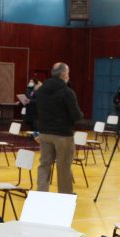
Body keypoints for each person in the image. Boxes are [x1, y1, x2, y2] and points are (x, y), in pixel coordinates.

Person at [35, 62, 83, 194]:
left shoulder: (41, 91)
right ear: (63, 74)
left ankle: (41, 192)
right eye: (67, 73)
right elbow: (76, 115)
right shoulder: (67, 92)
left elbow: (36, 110)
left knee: (44, 164)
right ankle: (65, 195)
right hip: (62, 135)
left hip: (44, 133)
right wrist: (80, 115)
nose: (68, 75)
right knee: (63, 166)